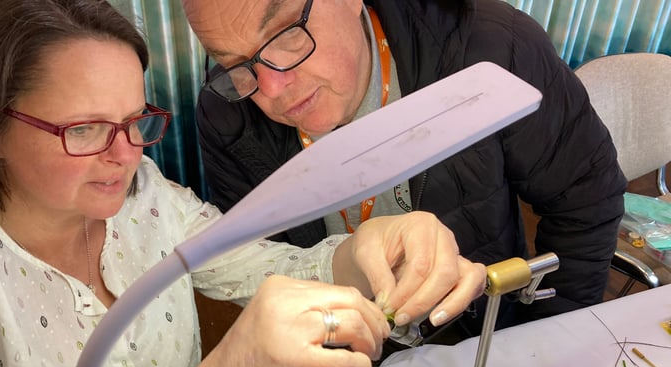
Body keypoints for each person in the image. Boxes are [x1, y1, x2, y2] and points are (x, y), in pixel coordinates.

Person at [0, 0, 486, 367]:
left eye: (135, 120)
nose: (124, 155)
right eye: (85, 129)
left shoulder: (143, 195)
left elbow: (264, 265)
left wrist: (370, 248)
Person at [184, 0, 628, 337]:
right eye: (233, 64)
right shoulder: (229, 115)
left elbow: (586, 196)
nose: (272, 88)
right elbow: (268, 270)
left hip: (483, 336)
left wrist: (545, 338)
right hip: (342, 364)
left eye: (286, 34)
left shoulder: (492, 49)